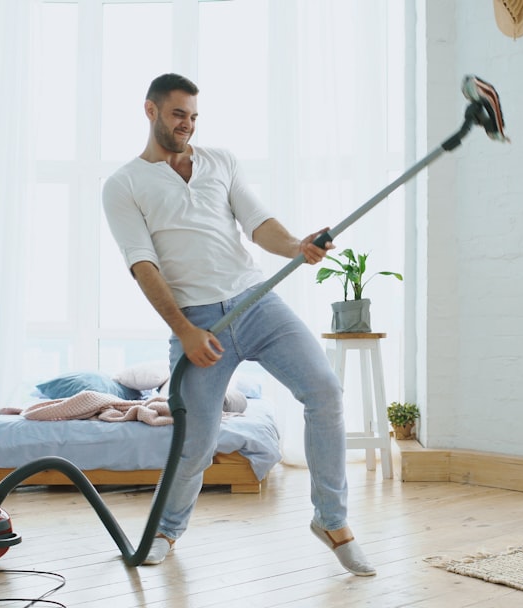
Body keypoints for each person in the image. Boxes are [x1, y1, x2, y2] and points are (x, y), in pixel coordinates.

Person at [101, 73, 375, 576]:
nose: (187, 125)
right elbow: (143, 265)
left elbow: (257, 221)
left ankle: (332, 521)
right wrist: (184, 330)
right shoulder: (124, 185)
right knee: (196, 442)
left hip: (256, 301)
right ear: (151, 111)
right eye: (178, 114)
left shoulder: (220, 162)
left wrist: (296, 245)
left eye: (194, 116)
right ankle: (166, 530)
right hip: (199, 322)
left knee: (325, 391)